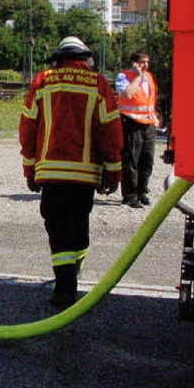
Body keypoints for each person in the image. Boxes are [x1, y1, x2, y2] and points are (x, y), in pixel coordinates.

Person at [19, 36, 123, 310]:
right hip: (86, 174)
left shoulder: (43, 80)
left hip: (51, 171)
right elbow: (110, 129)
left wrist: (29, 168)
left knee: (58, 229)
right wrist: (113, 171)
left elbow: (28, 126)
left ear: (59, 57)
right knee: (79, 225)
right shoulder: (98, 83)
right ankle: (72, 277)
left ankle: (65, 290)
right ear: (84, 57)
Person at [116, 50, 159, 208]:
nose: (145, 65)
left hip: (148, 123)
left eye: (147, 62)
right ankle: (130, 195)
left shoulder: (149, 77)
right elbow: (127, 95)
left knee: (147, 160)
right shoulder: (124, 76)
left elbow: (149, 100)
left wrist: (155, 116)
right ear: (134, 63)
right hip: (131, 123)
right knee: (131, 161)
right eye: (142, 62)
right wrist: (138, 77)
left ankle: (142, 191)